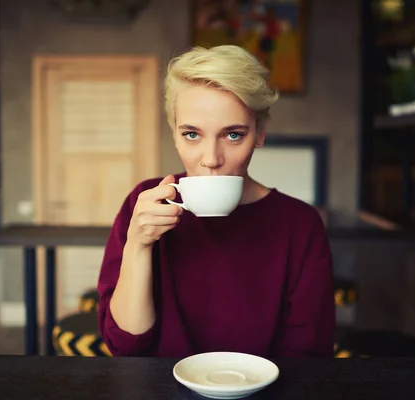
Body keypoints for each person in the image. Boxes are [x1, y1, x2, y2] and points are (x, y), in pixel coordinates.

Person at [97, 45, 335, 358]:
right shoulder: (144, 206)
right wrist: (138, 247)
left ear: (259, 134)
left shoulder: (300, 225)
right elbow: (126, 346)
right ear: (174, 134)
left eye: (233, 135)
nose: (211, 159)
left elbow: (308, 358)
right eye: (192, 134)